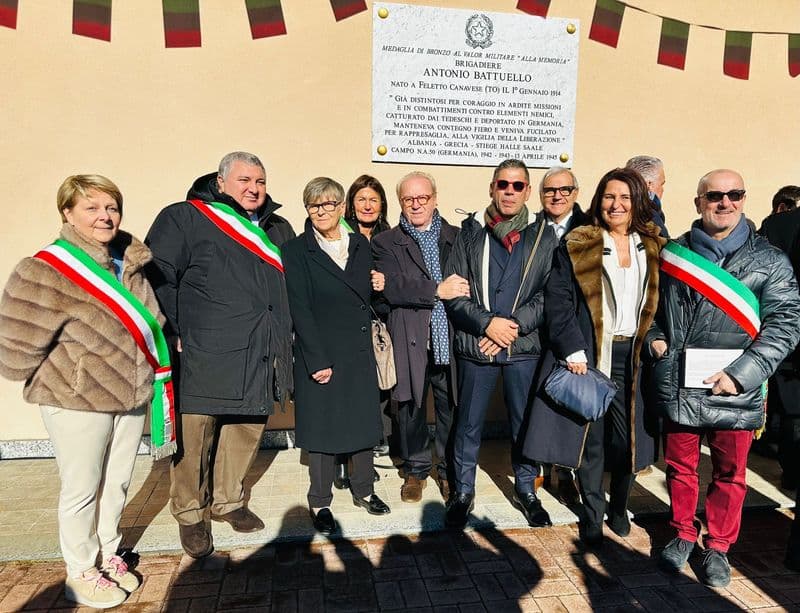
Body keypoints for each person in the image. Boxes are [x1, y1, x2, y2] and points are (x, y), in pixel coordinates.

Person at [0, 175, 171, 608]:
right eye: (92, 207)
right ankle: (79, 571)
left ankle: (108, 554)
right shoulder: (45, 268)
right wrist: (72, 370)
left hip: (130, 393)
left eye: (112, 207)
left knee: (116, 483)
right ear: (68, 213)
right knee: (82, 487)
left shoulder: (129, 262)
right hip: (75, 399)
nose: (105, 216)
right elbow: (14, 351)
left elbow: (151, 322)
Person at [649, 169, 800, 587]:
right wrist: (657, 341)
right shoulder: (673, 253)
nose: (724, 202)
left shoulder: (770, 260)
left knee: (730, 474)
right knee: (680, 467)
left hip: (736, 387)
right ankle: (681, 532)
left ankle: (718, 546)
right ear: (698, 201)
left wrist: (742, 374)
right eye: (714, 195)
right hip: (682, 383)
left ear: (744, 199)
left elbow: (785, 324)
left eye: (734, 194)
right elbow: (653, 313)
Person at [146, 152, 294, 558]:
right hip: (204, 347)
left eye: (260, 180)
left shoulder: (277, 227)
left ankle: (229, 500)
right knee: (196, 434)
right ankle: (191, 512)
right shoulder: (185, 217)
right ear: (221, 180)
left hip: (260, 347)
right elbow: (158, 276)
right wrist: (172, 329)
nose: (254, 188)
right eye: (244, 179)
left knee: (245, 427)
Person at [524, 168, 664, 546]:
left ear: (638, 202)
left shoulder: (654, 246)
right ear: (598, 200)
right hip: (589, 356)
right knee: (593, 442)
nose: (615, 205)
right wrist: (572, 348)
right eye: (608, 196)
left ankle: (619, 508)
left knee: (628, 443)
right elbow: (559, 302)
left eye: (624, 198)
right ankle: (592, 514)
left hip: (633, 358)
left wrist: (657, 339)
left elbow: (662, 306)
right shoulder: (578, 243)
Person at [443, 158, 557, 529]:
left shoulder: (543, 236)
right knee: (468, 423)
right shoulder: (470, 234)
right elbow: (455, 292)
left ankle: (526, 489)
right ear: (492, 188)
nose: (509, 192)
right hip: (478, 343)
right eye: (503, 185)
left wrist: (512, 327)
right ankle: (462, 492)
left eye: (518, 186)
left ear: (527, 191)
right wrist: (487, 325)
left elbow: (549, 293)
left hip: (521, 347)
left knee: (524, 422)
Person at [283, 177, 391, 534]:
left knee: (362, 425)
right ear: (308, 210)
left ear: (342, 207)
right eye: (315, 205)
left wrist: (378, 285)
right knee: (323, 431)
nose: (323, 211)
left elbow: (366, 297)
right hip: (322, 353)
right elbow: (300, 309)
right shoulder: (297, 251)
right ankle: (320, 502)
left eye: (330, 204)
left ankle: (364, 490)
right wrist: (317, 361)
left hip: (358, 352)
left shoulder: (360, 244)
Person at [372, 171, 465, 503]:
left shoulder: (459, 237)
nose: (416, 205)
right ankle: (415, 470)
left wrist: (409, 289)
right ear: (400, 202)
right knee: (410, 406)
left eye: (422, 198)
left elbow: (468, 286)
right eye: (408, 199)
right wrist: (437, 289)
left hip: (449, 337)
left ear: (435, 198)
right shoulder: (385, 242)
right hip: (410, 336)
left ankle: (446, 471)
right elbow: (390, 289)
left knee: (449, 406)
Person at [535, 166, 590, 506]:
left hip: (572, 330)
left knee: (569, 403)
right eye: (550, 190)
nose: (557, 196)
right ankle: (540, 463)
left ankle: (566, 469)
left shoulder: (589, 231)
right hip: (535, 330)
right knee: (540, 402)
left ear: (575, 193)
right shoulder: (532, 229)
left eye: (564, 189)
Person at [334, 174, 392, 491]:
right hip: (345, 327)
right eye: (361, 199)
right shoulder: (339, 235)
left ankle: (363, 461)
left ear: (382, 204)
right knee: (347, 395)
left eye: (373, 199)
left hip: (379, 325)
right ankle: (343, 463)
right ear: (351, 206)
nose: (368, 205)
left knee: (375, 395)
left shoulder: (389, 236)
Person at [757, 185, 800, 489]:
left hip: (786, 338)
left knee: (792, 415)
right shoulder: (779, 225)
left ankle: (793, 471)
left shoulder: (777, 225)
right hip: (786, 337)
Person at [625, 155, 669, 237]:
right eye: (661, 184)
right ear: (649, 184)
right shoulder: (648, 215)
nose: (663, 189)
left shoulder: (616, 209)